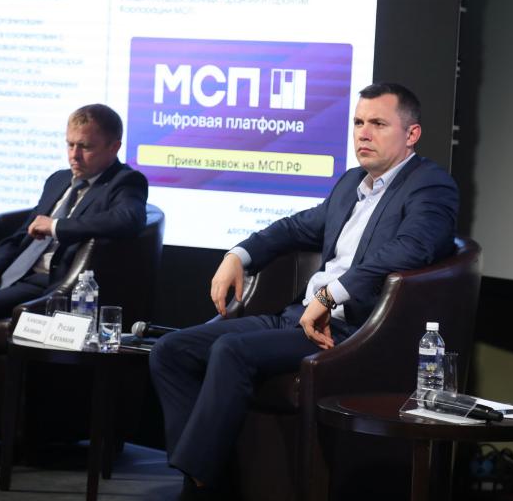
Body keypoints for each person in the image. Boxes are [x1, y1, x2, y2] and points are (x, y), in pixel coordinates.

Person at [149, 82, 459, 499]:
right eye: (358, 123)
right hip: (297, 318)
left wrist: (330, 296)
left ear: (411, 134)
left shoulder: (430, 186)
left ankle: (198, 488)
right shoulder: (352, 183)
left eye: (378, 124)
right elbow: (296, 227)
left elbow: (413, 248)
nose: (364, 134)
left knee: (231, 351)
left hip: (352, 332)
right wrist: (238, 254)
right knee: (171, 350)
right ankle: (207, 477)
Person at [0, 104, 149, 353]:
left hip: (41, 284)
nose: (74, 155)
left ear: (113, 147)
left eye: (85, 147)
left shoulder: (125, 181)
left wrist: (56, 226)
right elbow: (21, 235)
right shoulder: (58, 179)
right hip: (7, 275)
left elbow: (129, 219)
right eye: (70, 145)